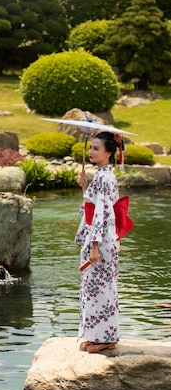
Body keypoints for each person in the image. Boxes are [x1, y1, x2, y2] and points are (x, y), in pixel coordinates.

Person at [75, 131, 120, 353]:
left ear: (108, 153)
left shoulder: (103, 177)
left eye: (96, 149)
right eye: (90, 148)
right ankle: (100, 335)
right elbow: (95, 206)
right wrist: (85, 186)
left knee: (100, 290)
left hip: (100, 242)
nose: (91, 152)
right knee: (97, 289)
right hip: (104, 238)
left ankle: (105, 338)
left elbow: (100, 213)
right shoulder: (104, 175)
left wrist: (94, 247)